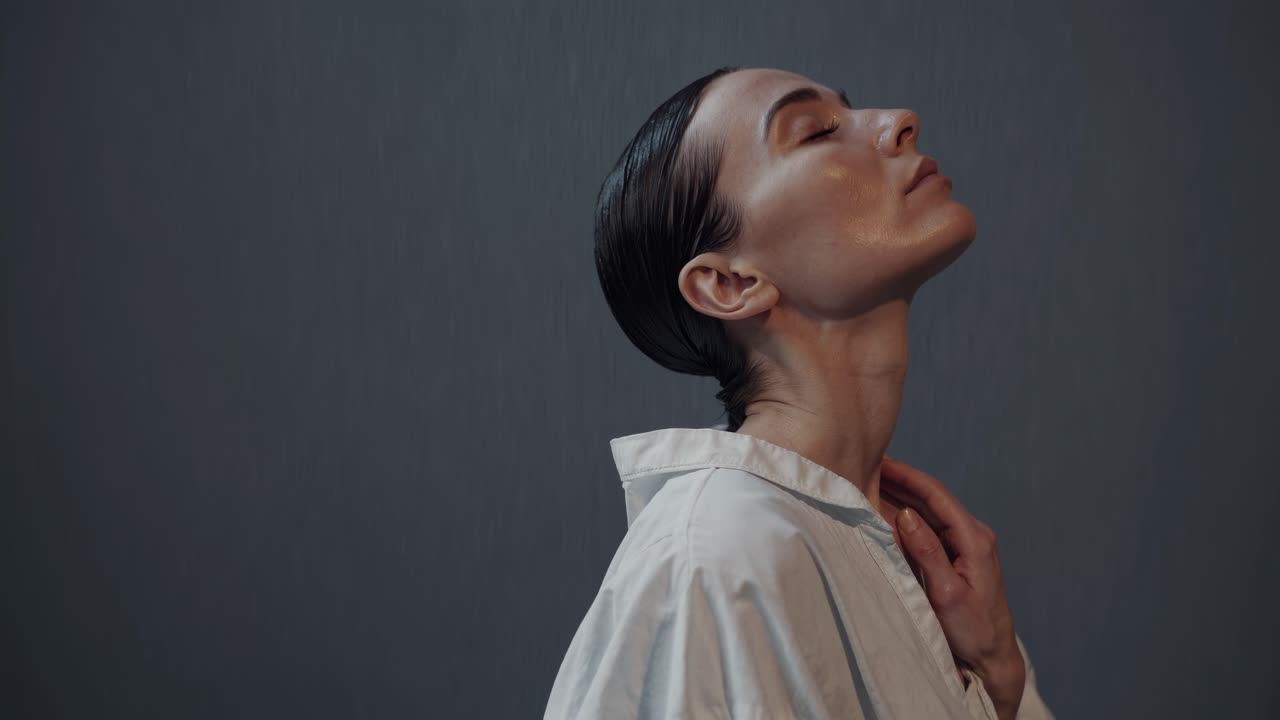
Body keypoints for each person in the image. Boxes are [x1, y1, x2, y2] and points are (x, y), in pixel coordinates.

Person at [544, 66, 1055, 719]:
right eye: (815, 132)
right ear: (729, 284)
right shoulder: (716, 557)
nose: (899, 118)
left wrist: (998, 681)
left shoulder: (931, 587)